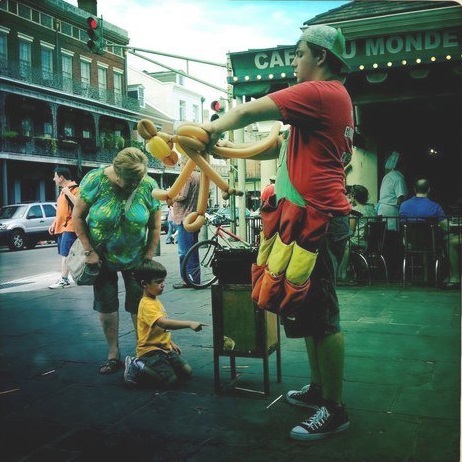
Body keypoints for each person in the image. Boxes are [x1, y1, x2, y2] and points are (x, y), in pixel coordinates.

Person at [202, 24, 353, 441]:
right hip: (311, 218)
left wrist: (212, 129)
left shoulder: (320, 93)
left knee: (322, 317)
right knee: (306, 308)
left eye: (299, 53)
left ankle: (334, 409)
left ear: (321, 56)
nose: (294, 61)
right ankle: (321, 390)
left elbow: (251, 110)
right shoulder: (326, 104)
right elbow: (274, 147)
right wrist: (223, 147)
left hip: (317, 220)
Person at [72, 147, 162, 374]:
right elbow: (78, 217)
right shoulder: (95, 180)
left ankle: (145, 350)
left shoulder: (148, 185)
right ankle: (113, 353)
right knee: (107, 304)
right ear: (117, 172)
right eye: (130, 181)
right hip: (101, 257)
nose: (135, 185)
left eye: (138, 180)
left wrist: (149, 257)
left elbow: (154, 226)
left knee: (140, 305)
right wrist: (88, 251)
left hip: (136, 258)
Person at [124, 260, 206, 387]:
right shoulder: (146, 304)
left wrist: (170, 343)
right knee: (170, 380)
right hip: (149, 350)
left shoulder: (154, 299)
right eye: (158, 282)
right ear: (144, 284)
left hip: (164, 348)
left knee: (187, 372)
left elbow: (159, 329)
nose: (163, 285)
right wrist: (189, 324)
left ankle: (161, 367)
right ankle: (137, 365)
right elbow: (163, 324)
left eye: (163, 281)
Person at [399, 178, 460, 288]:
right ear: (429, 190)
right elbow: (446, 227)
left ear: (414, 189)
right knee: (447, 240)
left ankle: (427, 276)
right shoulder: (434, 206)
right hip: (429, 243)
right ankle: (451, 274)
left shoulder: (404, 205)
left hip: (410, 242)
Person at [171, 156, 200, 289]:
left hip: (184, 218)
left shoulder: (186, 176)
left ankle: (187, 280)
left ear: (184, 164)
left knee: (184, 252)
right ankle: (195, 278)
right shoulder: (199, 176)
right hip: (194, 218)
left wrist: (170, 195)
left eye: (180, 164)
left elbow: (182, 195)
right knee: (193, 251)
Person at [48, 166, 79, 289]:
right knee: (66, 254)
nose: (53, 179)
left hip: (70, 227)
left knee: (66, 254)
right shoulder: (62, 191)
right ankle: (67, 278)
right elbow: (62, 211)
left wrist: (68, 193)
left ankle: (64, 280)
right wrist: (54, 222)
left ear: (61, 177)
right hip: (62, 227)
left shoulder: (75, 189)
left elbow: (79, 205)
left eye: (55, 176)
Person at [338, 185, 376, 282]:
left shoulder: (356, 210)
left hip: (359, 241)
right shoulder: (372, 208)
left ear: (353, 196)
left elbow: (351, 230)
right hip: (372, 242)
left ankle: (342, 272)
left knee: (345, 244)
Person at [377, 151, 408, 231]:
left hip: (382, 209)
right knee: (392, 233)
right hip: (391, 210)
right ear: (402, 167)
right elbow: (400, 198)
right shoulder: (398, 178)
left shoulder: (387, 176)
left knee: (384, 234)